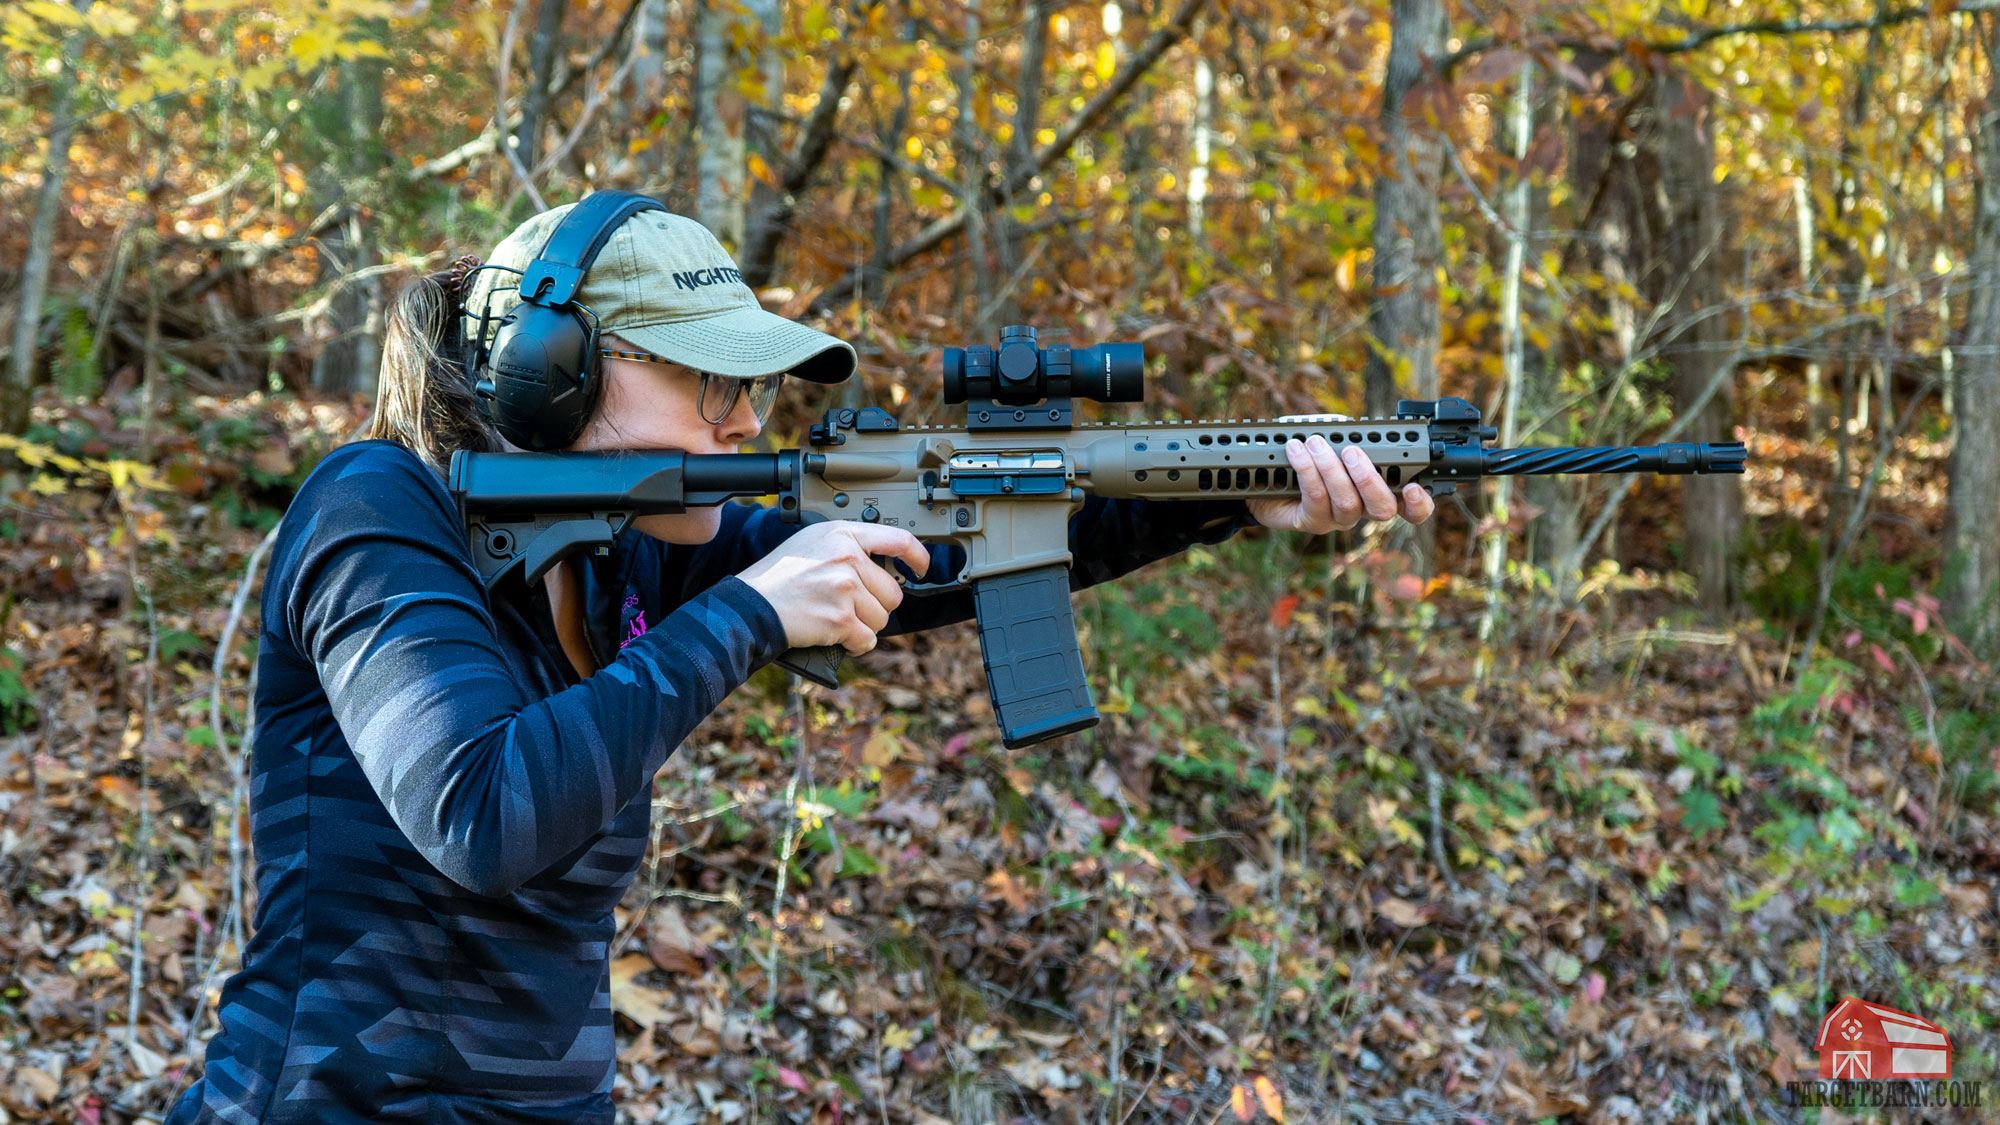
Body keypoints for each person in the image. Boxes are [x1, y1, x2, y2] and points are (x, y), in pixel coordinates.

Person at [165, 200, 1434, 1124]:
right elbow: (482, 809)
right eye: (704, 377)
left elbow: (947, 548)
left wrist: (1227, 489)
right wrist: (752, 616)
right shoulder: (379, 508)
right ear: (547, 382)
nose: (744, 418)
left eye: (753, 383)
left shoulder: (629, 549)